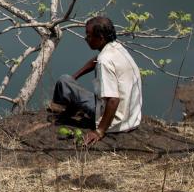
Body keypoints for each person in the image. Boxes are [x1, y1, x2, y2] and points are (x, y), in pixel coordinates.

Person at [51, 15, 142, 146]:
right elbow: (96, 59)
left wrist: (99, 131)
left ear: (100, 38)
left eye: (89, 35)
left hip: (115, 121)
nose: (85, 38)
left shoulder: (104, 61)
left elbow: (113, 100)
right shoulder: (117, 48)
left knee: (64, 80)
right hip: (131, 118)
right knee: (70, 80)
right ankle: (72, 108)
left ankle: (64, 111)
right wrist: (76, 76)